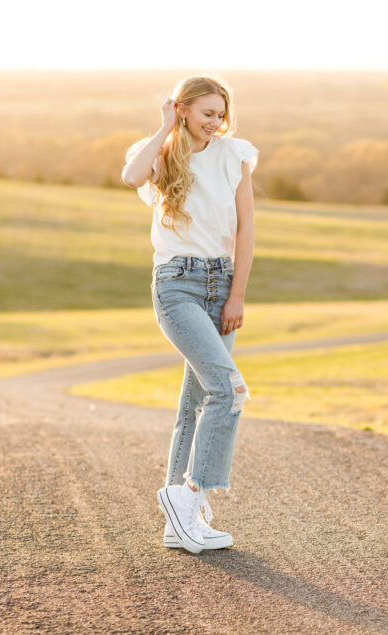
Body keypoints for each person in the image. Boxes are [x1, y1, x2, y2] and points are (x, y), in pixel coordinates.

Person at [121, 75, 257, 554]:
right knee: (230, 390)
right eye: (206, 114)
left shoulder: (235, 155)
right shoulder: (159, 154)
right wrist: (163, 127)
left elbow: (246, 232)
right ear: (182, 109)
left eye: (221, 114)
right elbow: (131, 177)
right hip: (177, 286)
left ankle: (181, 521)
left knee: (194, 404)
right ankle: (190, 493)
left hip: (222, 286)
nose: (216, 123)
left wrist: (237, 296)